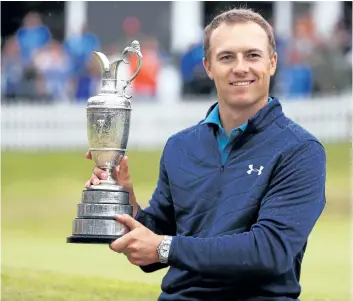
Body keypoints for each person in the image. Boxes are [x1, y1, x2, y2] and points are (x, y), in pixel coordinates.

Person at [85, 8, 326, 301]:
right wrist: (127, 203)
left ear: (272, 63)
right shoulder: (180, 146)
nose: (240, 67)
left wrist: (165, 247)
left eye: (252, 55)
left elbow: (270, 251)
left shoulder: (300, 150)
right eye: (226, 57)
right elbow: (153, 248)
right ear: (208, 66)